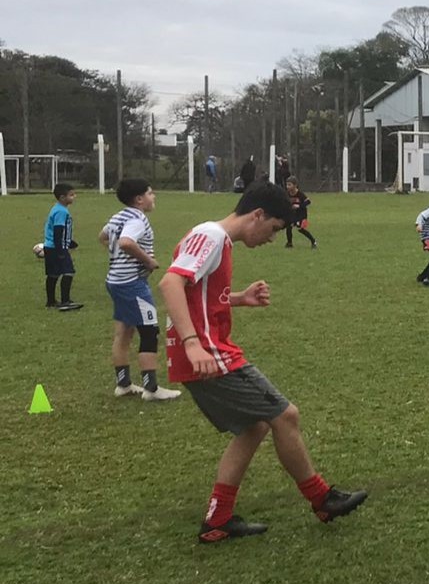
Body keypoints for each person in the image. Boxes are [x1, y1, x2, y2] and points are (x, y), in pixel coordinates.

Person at [158, 182, 367, 542]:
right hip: (209, 353)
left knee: (254, 426)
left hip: (206, 349)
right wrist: (193, 344)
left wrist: (239, 298)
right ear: (257, 215)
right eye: (272, 229)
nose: (271, 239)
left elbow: (198, 293)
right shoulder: (210, 236)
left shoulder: (214, 239)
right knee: (286, 415)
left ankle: (218, 519)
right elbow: (171, 283)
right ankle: (321, 499)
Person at [100, 178, 182, 402]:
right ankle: (151, 388)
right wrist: (148, 261)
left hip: (115, 281)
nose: (153, 197)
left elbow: (104, 237)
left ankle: (124, 384)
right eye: (150, 193)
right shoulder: (137, 218)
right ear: (139, 199)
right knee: (149, 331)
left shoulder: (119, 216)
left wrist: (116, 256)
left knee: (124, 331)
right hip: (132, 283)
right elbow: (126, 242)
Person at [42, 183, 83, 311]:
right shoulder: (61, 211)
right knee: (68, 272)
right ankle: (65, 301)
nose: (74, 197)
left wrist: (70, 241)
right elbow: (58, 230)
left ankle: (51, 301)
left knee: (53, 274)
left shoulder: (57, 208)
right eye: (71, 195)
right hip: (56, 247)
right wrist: (61, 250)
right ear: (62, 197)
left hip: (51, 246)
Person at [284, 176, 318, 249]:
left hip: (301, 215)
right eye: (287, 185)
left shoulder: (300, 194)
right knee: (289, 227)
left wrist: (299, 206)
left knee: (300, 229)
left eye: (290, 185)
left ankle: (313, 241)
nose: (288, 187)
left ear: (295, 185)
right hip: (293, 214)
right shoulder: (287, 194)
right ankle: (289, 243)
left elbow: (308, 202)